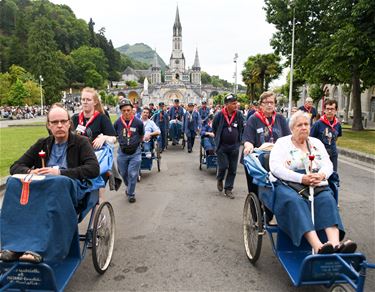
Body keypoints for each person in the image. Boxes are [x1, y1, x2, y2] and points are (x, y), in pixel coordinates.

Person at [0, 104, 100, 263]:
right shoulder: (42, 143)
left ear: (69, 123)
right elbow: (15, 166)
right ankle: (13, 246)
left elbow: (93, 169)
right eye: (54, 122)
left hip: (69, 187)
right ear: (48, 125)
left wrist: (60, 172)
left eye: (63, 121)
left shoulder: (81, 142)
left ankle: (39, 249)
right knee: (13, 183)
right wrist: (30, 172)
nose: (59, 125)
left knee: (57, 183)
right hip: (43, 188)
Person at [268, 110, 356, 254]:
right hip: (290, 182)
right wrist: (301, 178)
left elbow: (328, 165)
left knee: (327, 198)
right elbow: (275, 168)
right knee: (296, 202)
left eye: (306, 124)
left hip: (315, 181)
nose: (304, 127)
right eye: (299, 125)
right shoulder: (282, 143)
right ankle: (318, 246)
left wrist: (321, 175)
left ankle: (335, 245)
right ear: (292, 128)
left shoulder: (316, 143)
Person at [72, 87, 116, 201]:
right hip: (77, 157)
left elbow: (113, 138)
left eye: (88, 99)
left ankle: (99, 211)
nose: (85, 102)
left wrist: (104, 138)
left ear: (95, 102)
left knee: (97, 192)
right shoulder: (75, 118)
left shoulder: (101, 118)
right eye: (83, 99)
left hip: (96, 158)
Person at [243, 91, 290, 194]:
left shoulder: (280, 119)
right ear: (261, 105)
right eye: (266, 102)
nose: (269, 105)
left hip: (278, 159)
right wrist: (248, 146)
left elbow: (288, 138)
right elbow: (248, 139)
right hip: (259, 160)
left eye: (272, 102)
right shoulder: (253, 119)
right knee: (256, 191)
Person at [212, 94, 244, 199]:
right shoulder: (219, 115)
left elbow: (241, 128)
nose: (236, 105)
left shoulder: (239, 115)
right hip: (222, 147)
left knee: (233, 169)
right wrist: (219, 142)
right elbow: (215, 129)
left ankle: (228, 189)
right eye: (233, 103)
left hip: (234, 147)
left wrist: (239, 141)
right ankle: (220, 178)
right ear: (227, 104)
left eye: (236, 103)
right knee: (223, 166)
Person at [114, 99, 144, 203]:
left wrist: (135, 143)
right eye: (124, 110)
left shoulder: (138, 123)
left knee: (133, 174)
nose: (126, 112)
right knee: (123, 173)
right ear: (121, 111)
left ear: (132, 110)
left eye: (128, 110)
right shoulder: (117, 123)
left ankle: (131, 194)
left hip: (135, 153)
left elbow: (141, 135)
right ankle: (129, 186)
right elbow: (115, 135)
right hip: (122, 153)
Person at [310, 100, 342, 171]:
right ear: (324, 110)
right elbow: (311, 139)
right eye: (327, 109)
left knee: (333, 175)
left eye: (332, 109)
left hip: (333, 154)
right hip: (320, 155)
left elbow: (337, 137)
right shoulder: (318, 124)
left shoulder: (338, 124)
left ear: (336, 110)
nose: (329, 111)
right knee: (321, 176)